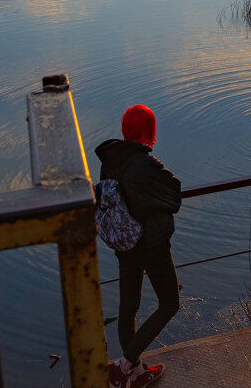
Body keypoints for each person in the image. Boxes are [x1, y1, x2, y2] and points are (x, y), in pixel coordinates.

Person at [95, 105, 182, 388]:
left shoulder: (110, 162)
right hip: (151, 244)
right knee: (170, 303)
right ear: (148, 130)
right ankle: (124, 366)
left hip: (124, 243)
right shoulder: (146, 164)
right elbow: (173, 190)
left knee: (128, 306)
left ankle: (135, 374)